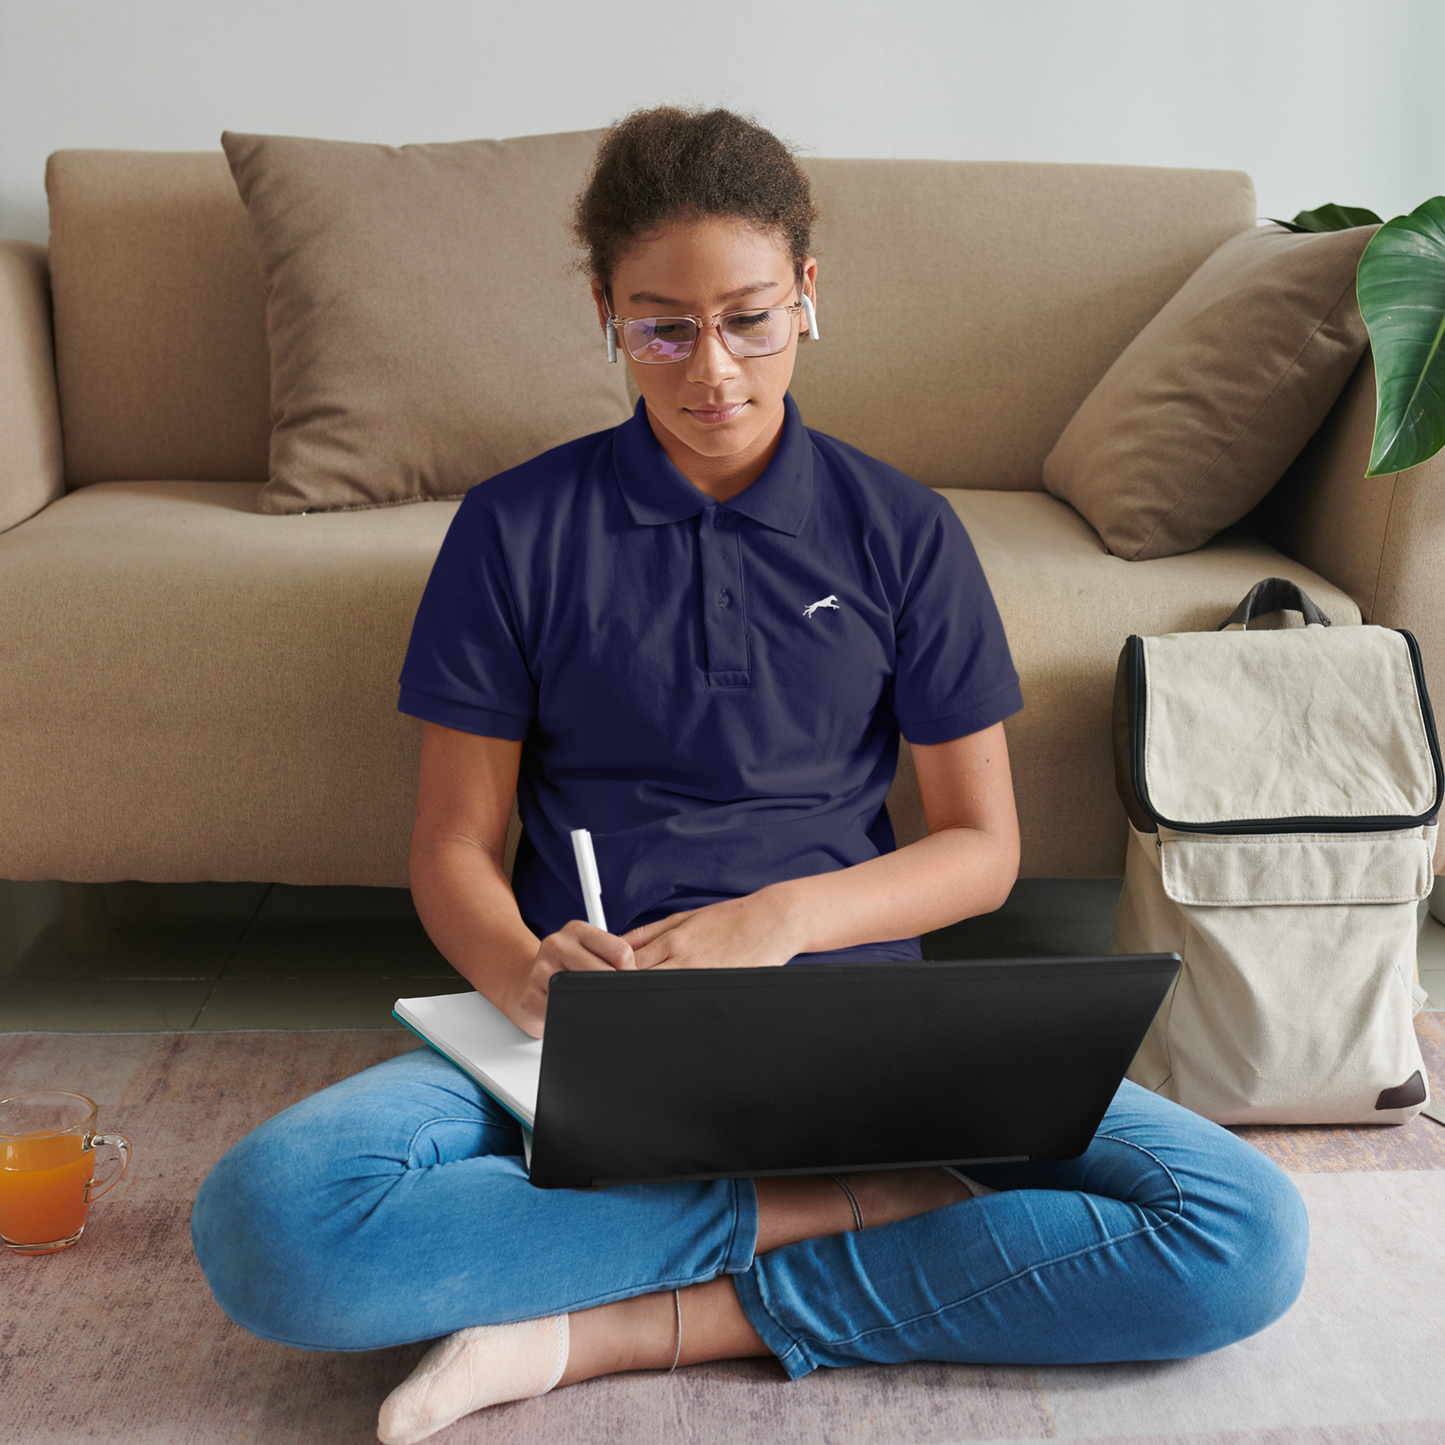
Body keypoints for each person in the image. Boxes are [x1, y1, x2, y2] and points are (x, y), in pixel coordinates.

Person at [191, 108, 1308, 1445]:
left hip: (857, 1045)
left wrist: (777, 921)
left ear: (809, 297)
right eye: (663, 326)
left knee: (1244, 1231)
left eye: (752, 321)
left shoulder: (904, 531)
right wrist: (521, 973)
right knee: (272, 1228)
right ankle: (847, 1205)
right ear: (604, 309)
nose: (712, 370)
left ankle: (617, 1324)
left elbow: (980, 849)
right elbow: (450, 848)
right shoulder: (512, 531)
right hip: (585, 1039)